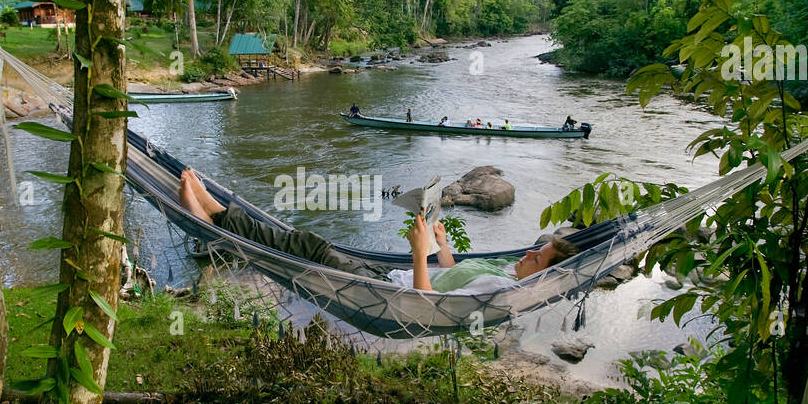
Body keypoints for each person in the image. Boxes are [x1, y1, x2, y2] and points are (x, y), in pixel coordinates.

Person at [176, 169, 579, 294]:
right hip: (387, 277)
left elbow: (428, 303)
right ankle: (215, 213)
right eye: (534, 252)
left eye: (536, 258)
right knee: (306, 243)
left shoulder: (502, 291)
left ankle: (213, 217)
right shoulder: (509, 272)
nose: (528, 254)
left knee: (309, 246)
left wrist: (419, 252)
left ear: (545, 274)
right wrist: (442, 246)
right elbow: (454, 275)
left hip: (391, 294)